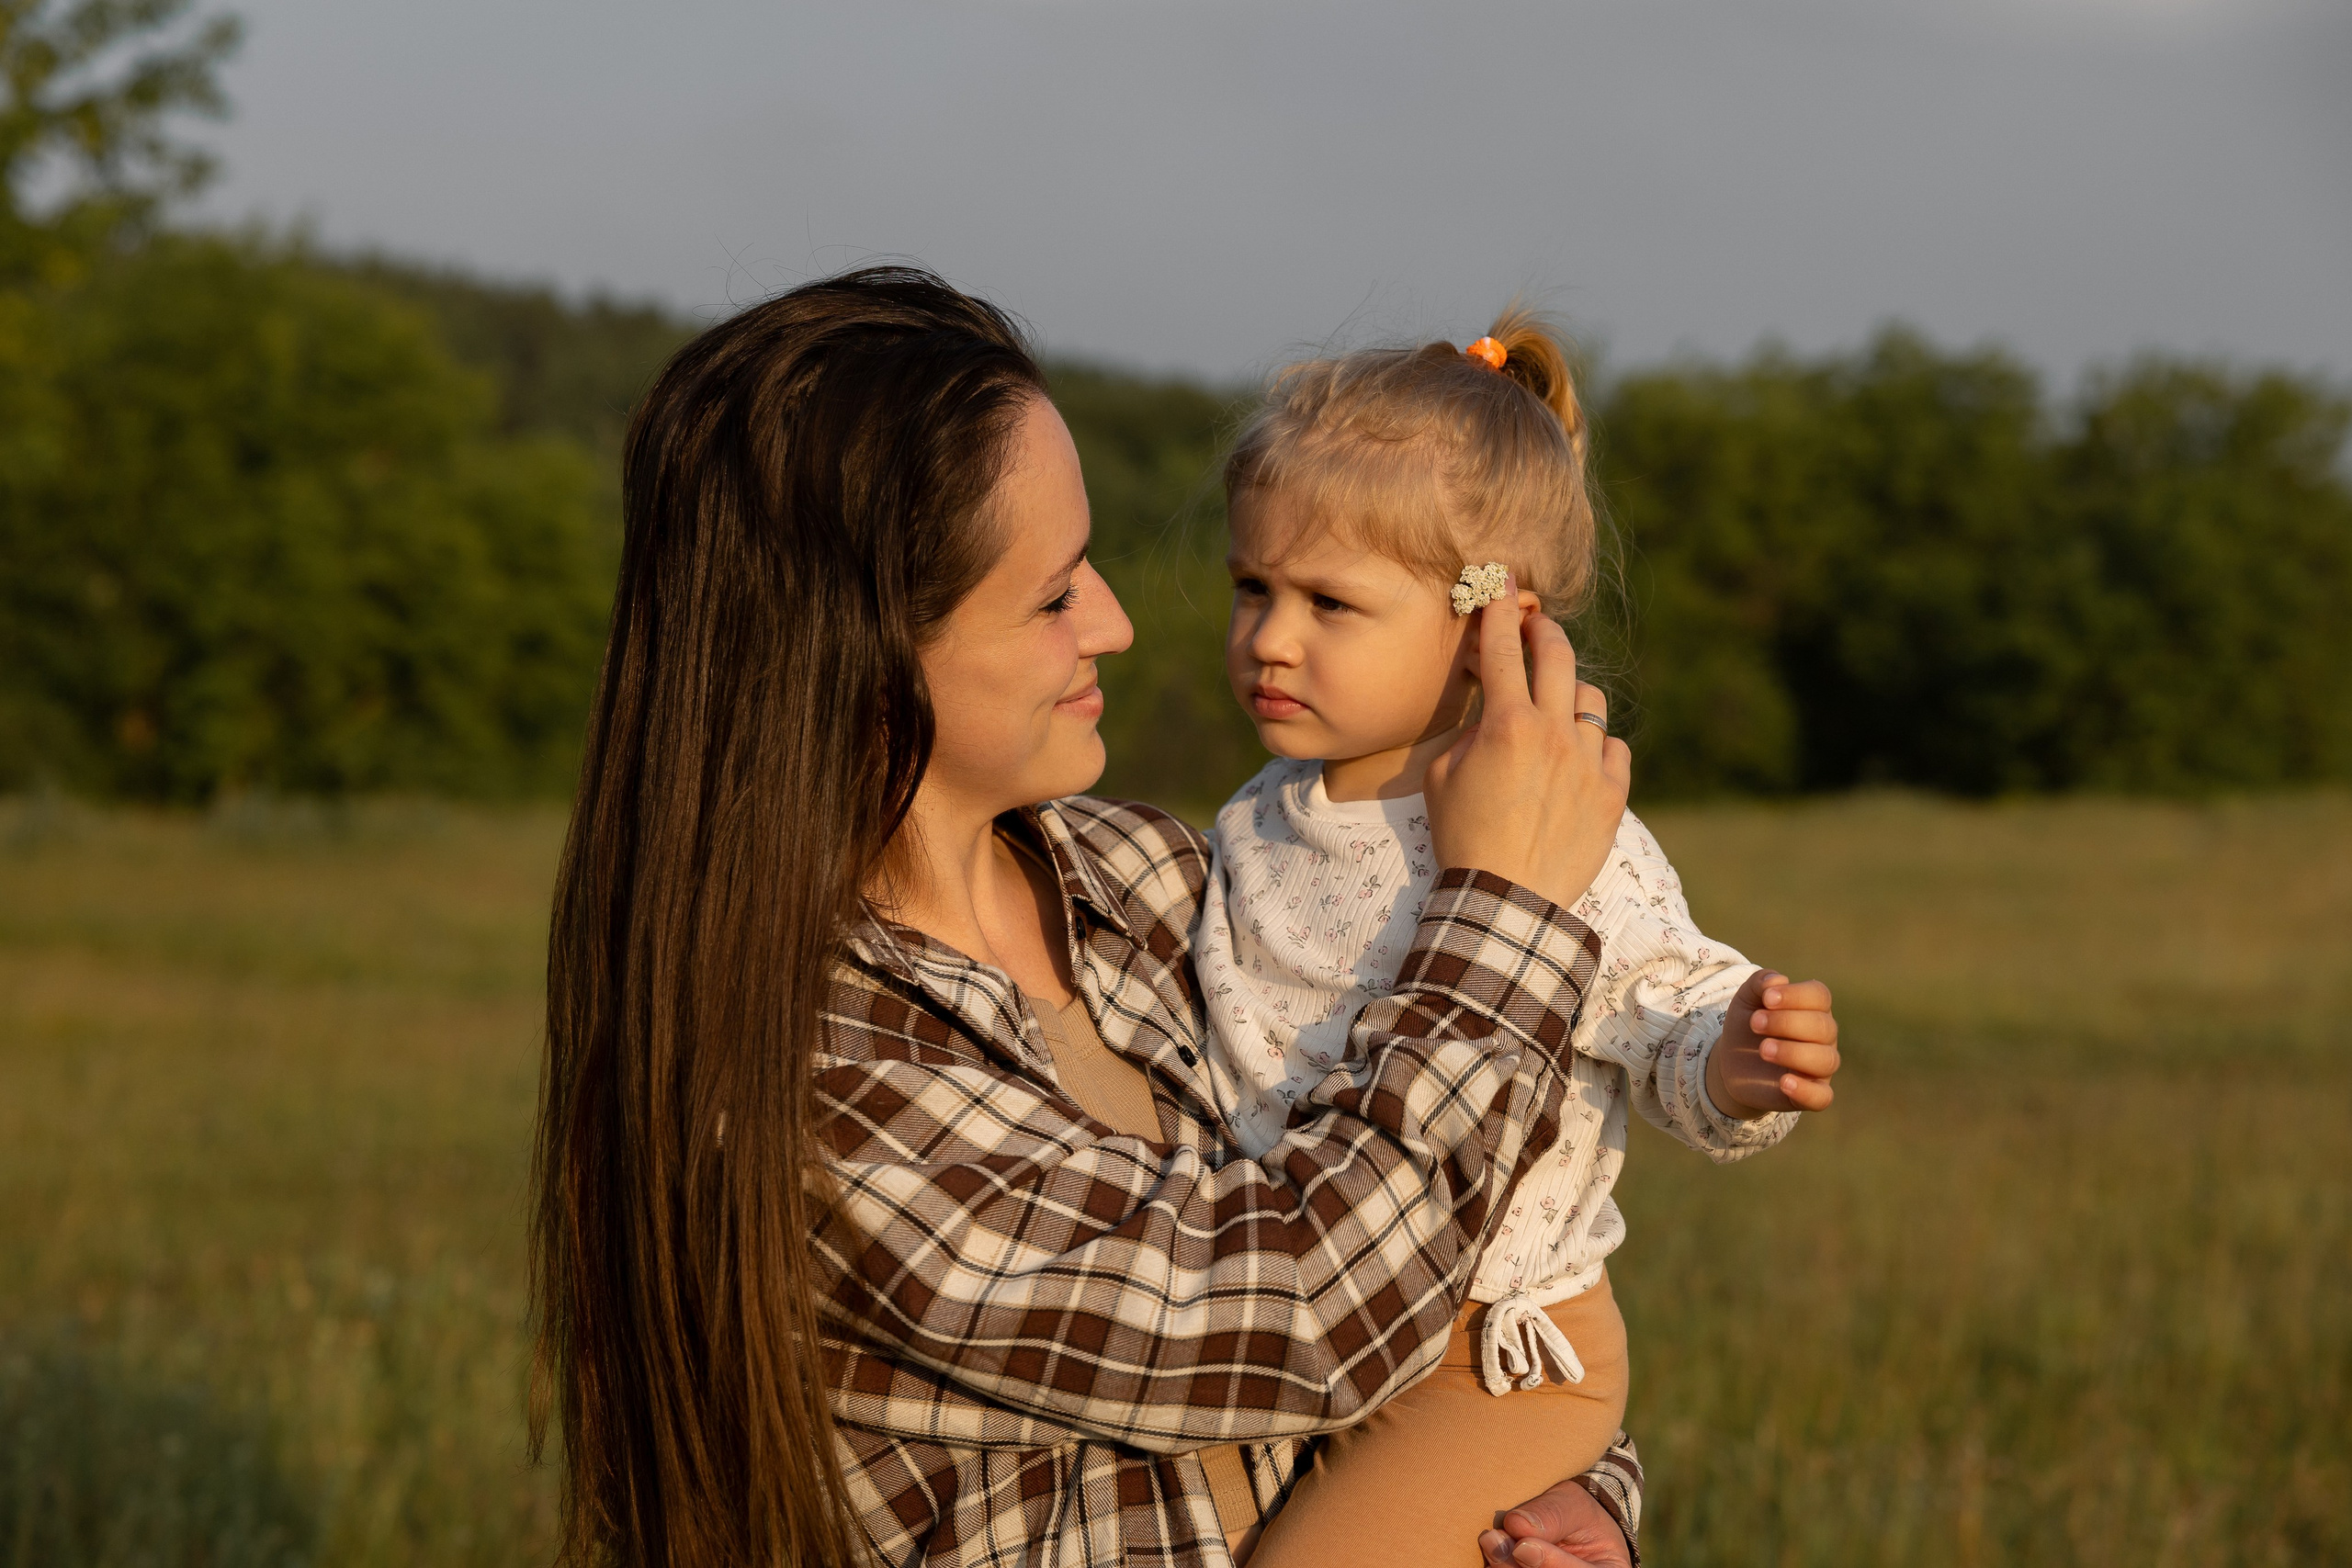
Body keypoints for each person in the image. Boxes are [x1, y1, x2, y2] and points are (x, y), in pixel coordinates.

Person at [532, 267, 1664, 1568]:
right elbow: (1305, 1311)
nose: (1119, 625)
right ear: (860, 648)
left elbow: (1472, 1253)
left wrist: (1567, 1499)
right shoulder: (812, 1087)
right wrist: (1505, 908)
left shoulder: (1153, 882)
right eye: (1055, 592)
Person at [1189, 315, 1843, 1568]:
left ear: (1495, 621)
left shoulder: (1545, 816)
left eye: (1331, 601)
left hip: (1486, 1360)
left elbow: (1664, 1010)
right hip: (1291, 1312)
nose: (1271, 636)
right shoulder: (1256, 820)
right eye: (1252, 587)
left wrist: (1734, 1058)